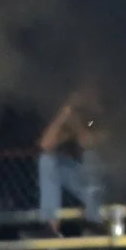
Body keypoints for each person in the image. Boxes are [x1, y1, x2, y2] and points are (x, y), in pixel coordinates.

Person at [37, 86, 108, 231]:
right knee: (47, 161)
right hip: (84, 182)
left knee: (90, 156)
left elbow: (87, 141)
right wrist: (65, 112)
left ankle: (96, 223)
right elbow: (45, 145)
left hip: (110, 182)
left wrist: (76, 124)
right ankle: (50, 228)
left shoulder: (108, 119)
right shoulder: (79, 121)